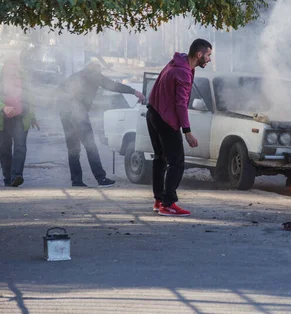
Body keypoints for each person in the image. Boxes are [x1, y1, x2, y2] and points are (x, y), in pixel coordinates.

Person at [147, 39, 212, 217]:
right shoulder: (183, 72)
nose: (209, 59)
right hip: (165, 119)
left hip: (153, 113)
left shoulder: (177, 61)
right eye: (208, 55)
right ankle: (168, 204)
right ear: (199, 55)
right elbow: (181, 105)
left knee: (160, 158)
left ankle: (159, 200)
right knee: (177, 162)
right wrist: (187, 132)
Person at [59, 62, 144, 187]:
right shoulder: (93, 75)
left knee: (73, 149)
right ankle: (101, 178)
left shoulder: (76, 76)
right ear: (96, 70)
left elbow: (60, 91)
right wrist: (134, 92)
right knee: (91, 146)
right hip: (78, 113)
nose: (100, 74)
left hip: (65, 114)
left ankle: (76, 181)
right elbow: (112, 85)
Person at [0, 58, 39, 187]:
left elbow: (30, 98)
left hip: (21, 118)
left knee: (20, 148)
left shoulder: (24, 79)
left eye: (15, 65)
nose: (13, 69)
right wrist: (3, 107)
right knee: (4, 150)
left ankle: (16, 175)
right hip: (3, 119)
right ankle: (8, 178)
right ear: (5, 67)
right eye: (10, 65)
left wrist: (32, 117)